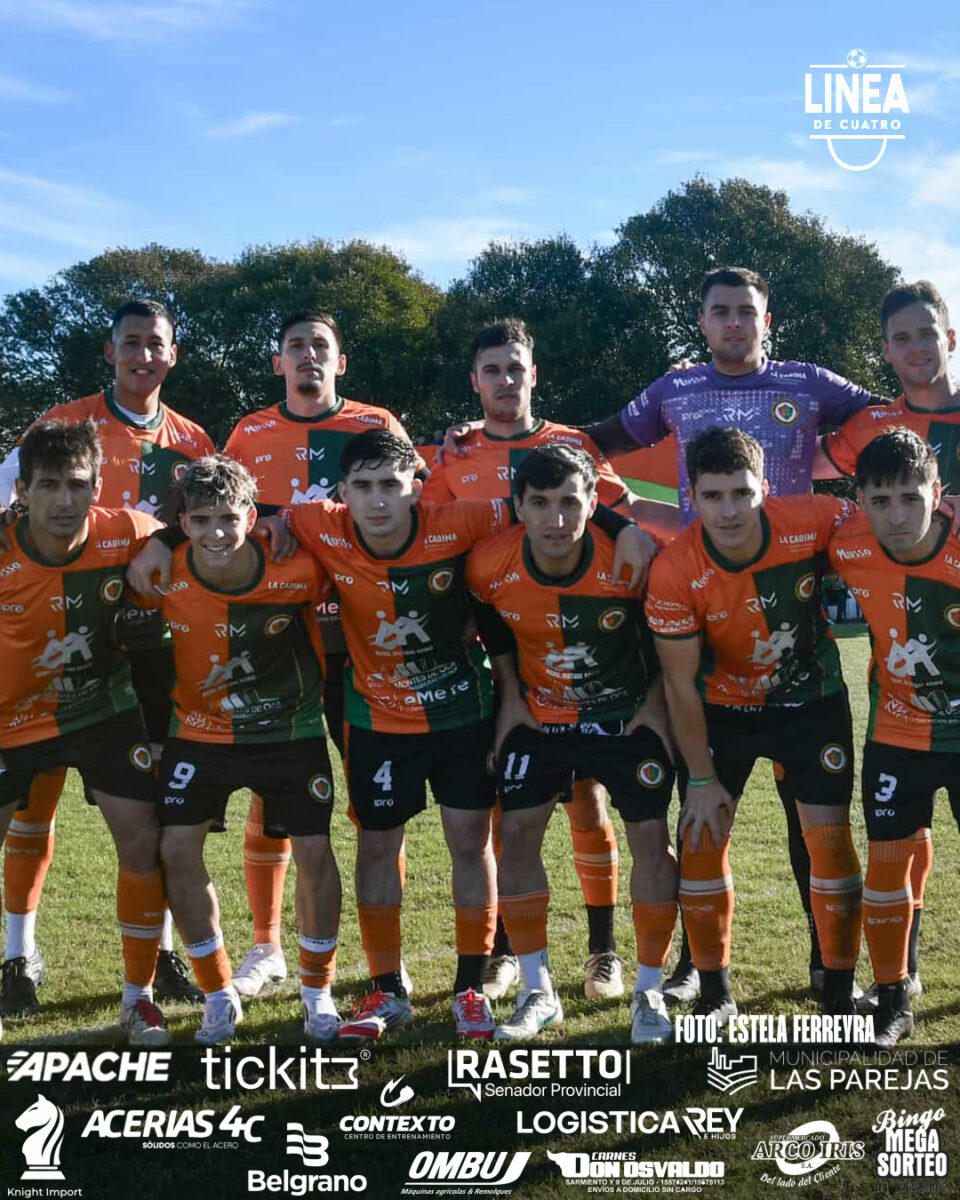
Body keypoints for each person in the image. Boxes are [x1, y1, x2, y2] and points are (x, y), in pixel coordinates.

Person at [444, 268, 884, 1005]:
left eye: (747, 312)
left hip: (793, 605)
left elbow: (891, 421)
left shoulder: (810, 383)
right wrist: (487, 433)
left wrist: (855, 467)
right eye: (720, 312)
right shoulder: (675, 388)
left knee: (816, 824)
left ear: (767, 320)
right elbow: (588, 446)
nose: (735, 323)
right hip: (701, 606)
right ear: (702, 321)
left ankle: (828, 967)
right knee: (700, 814)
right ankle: (695, 967)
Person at [424, 318, 661, 1004]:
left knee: (588, 802)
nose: (505, 380)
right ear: (475, 382)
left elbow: (613, 513)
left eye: (515, 368)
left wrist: (631, 531)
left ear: (534, 375)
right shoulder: (454, 454)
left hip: (586, 643)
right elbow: (431, 533)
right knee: (509, 807)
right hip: (498, 646)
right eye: (491, 370)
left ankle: (603, 951)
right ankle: (506, 951)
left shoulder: (573, 443)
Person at [0, 298, 214, 1017]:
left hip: (135, 666)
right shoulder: (63, 423)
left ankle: (155, 963)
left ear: (172, 354)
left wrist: (161, 543)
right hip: (25, 670)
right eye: (131, 342)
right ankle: (19, 953)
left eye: (156, 343)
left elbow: (206, 525)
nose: (143, 355)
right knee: (33, 818)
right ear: (110, 350)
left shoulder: (193, 440)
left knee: (147, 827)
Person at [222, 310, 424, 1001]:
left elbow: (420, 499)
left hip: (365, 648)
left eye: (320, 346)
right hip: (281, 645)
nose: (308, 355)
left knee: (376, 812)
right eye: (295, 346)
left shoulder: (377, 424)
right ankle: (266, 946)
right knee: (271, 800)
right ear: (278, 362)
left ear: (341, 361)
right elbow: (229, 517)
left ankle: (385, 960)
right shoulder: (249, 432)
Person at [646, 427, 862, 1023]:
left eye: (742, 492)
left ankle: (838, 986)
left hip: (811, 702)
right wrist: (699, 778)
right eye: (713, 496)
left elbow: (883, 525)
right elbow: (679, 684)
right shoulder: (675, 569)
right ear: (692, 496)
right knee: (701, 836)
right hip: (722, 710)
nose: (729, 510)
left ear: (765, 488)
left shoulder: (814, 518)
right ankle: (714, 991)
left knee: (829, 840)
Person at [128, 455, 342, 1045]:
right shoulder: (161, 570)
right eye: (201, 521)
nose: (217, 533)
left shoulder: (299, 567)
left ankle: (317, 994)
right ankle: (218, 995)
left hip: (289, 731)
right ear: (182, 524)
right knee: (176, 849)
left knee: (315, 850)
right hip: (200, 732)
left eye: (228, 518)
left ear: (251, 515)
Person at [467, 445, 677, 1043]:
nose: (556, 519)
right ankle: (538, 992)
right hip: (543, 718)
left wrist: (655, 702)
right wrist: (510, 695)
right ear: (519, 507)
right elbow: (489, 622)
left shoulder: (629, 557)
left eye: (569, 502)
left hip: (624, 719)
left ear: (592, 503)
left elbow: (665, 629)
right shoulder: (488, 565)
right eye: (540, 503)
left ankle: (649, 992)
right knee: (515, 834)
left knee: (650, 840)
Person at [0, 419, 170, 1045]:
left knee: (143, 839)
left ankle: (138, 998)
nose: (64, 500)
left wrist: (167, 540)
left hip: (102, 711)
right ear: (22, 490)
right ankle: (16, 957)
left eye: (77, 485)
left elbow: (187, 530)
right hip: (10, 719)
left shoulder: (125, 530)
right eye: (49, 485)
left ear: (97, 486)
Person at [830, 428, 960, 1046]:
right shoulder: (846, 542)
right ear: (860, 501)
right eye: (880, 501)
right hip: (896, 733)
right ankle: (892, 998)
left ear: (938, 493)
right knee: (886, 864)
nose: (897, 516)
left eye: (911, 497)